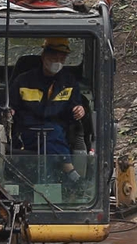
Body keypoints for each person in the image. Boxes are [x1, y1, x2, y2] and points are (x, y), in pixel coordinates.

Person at [8, 38, 88, 187]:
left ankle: (59, 180)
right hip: (27, 132)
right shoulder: (23, 81)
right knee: (52, 135)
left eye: (61, 58)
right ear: (44, 56)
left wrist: (79, 109)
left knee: (53, 134)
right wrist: (9, 111)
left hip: (59, 131)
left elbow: (75, 105)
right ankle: (70, 173)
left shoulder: (69, 81)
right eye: (53, 57)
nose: (57, 61)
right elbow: (10, 105)